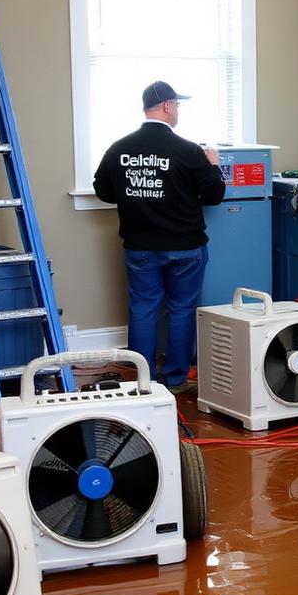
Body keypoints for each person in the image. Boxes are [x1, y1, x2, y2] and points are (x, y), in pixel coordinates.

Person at [93, 81, 226, 394]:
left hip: (140, 247)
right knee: (181, 309)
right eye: (176, 105)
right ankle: (176, 379)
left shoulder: (119, 149)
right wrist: (214, 166)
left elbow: (103, 190)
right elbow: (214, 195)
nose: (177, 110)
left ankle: (144, 381)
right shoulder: (188, 150)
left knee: (143, 308)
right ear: (167, 106)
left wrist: (136, 194)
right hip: (185, 248)